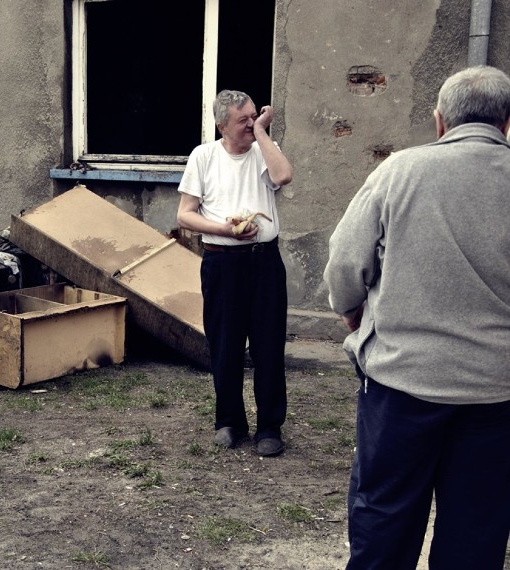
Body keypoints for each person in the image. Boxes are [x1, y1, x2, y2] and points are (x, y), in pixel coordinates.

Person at [323, 65, 510, 568]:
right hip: (498, 393)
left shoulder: (400, 171)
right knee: (477, 529)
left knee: (384, 516)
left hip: (402, 384)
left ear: (439, 121)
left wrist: (351, 313)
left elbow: (344, 261)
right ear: (507, 123)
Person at [177, 90, 293, 457]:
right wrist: (226, 229)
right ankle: (229, 421)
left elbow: (284, 175)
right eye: (242, 120)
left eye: (254, 116)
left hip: (264, 262)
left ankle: (269, 427)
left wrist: (261, 133)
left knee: (268, 346)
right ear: (221, 125)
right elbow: (185, 213)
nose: (250, 123)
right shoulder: (204, 156)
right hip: (222, 262)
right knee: (224, 345)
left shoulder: (263, 148)